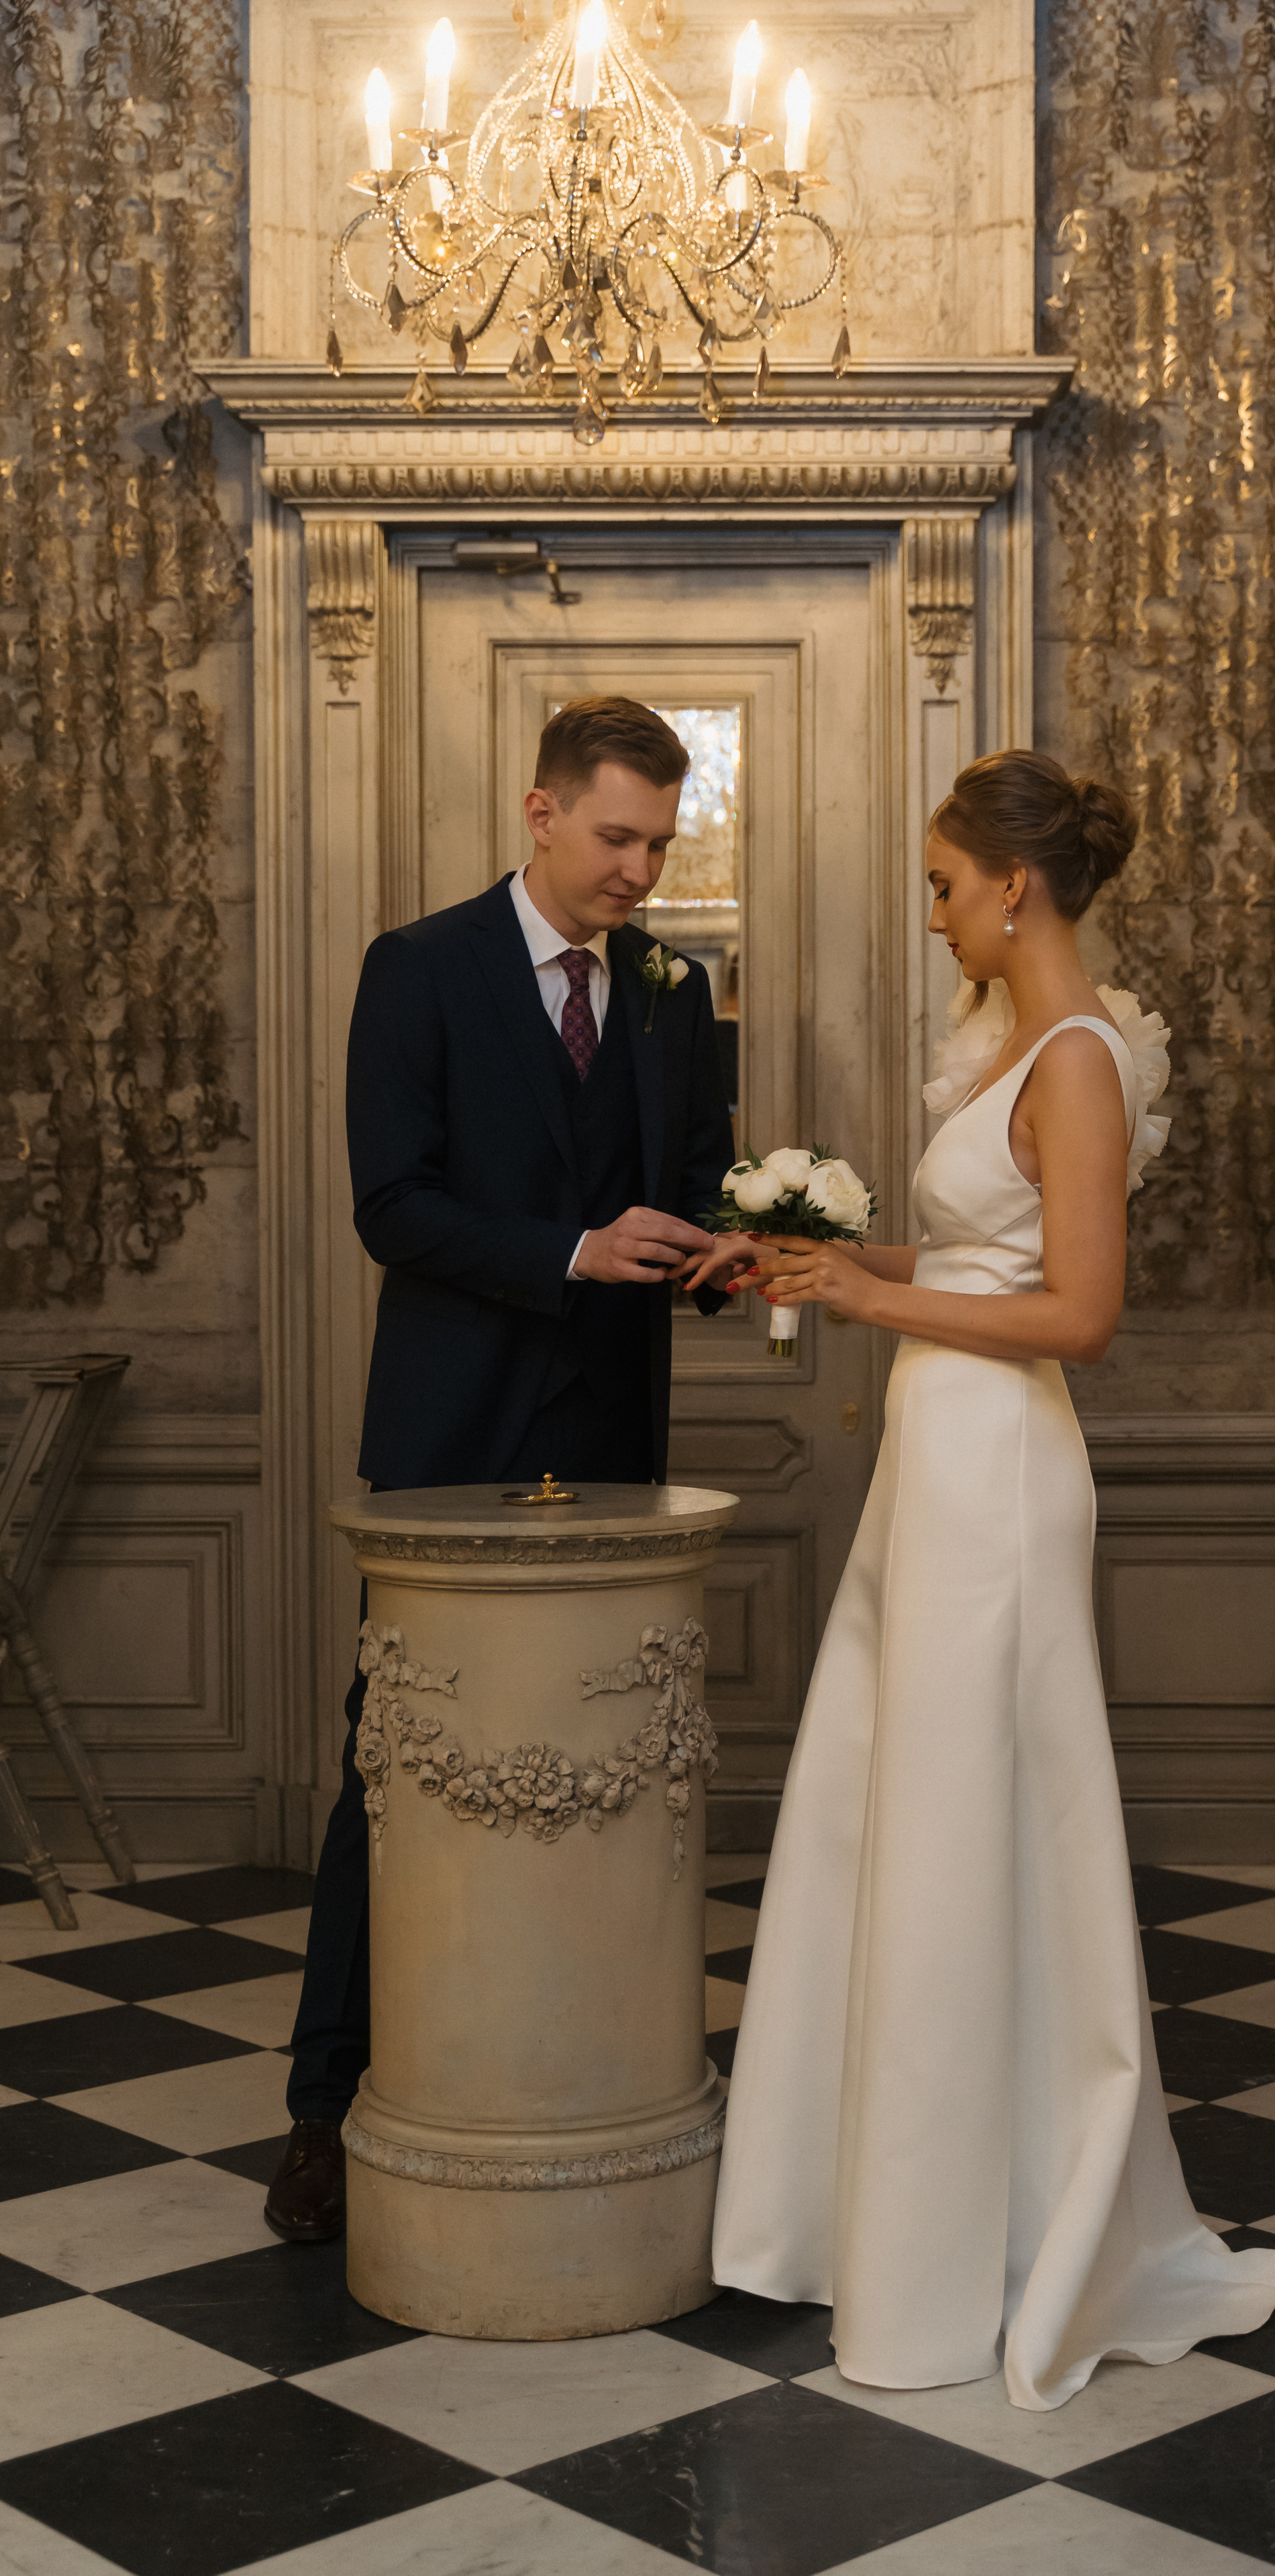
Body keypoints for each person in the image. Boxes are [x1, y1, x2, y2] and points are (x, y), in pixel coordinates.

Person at [712, 748, 1275, 2409]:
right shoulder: (1020, 1051)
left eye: (941, 882)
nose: (931, 910)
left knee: (973, 1825)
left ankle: (966, 2245)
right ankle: (890, 2222)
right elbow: (985, 1260)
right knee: (912, 1814)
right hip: (941, 1459)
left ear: (1012, 889)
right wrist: (833, 1260)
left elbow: (1080, 1317)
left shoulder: (1081, 1060)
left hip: (1001, 1466)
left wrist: (870, 1300)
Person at [266, 696, 748, 2242]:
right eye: (615, 837)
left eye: (659, 845)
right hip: (445, 1434)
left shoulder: (675, 992)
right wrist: (568, 1250)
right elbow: (391, 1206)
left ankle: (571, 2066)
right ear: (537, 813)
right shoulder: (417, 970)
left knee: (602, 1759)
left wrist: (728, 1250)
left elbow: (688, 1185)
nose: (638, 872)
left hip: (613, 1441)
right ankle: (326, 2110)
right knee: (392, 1765)